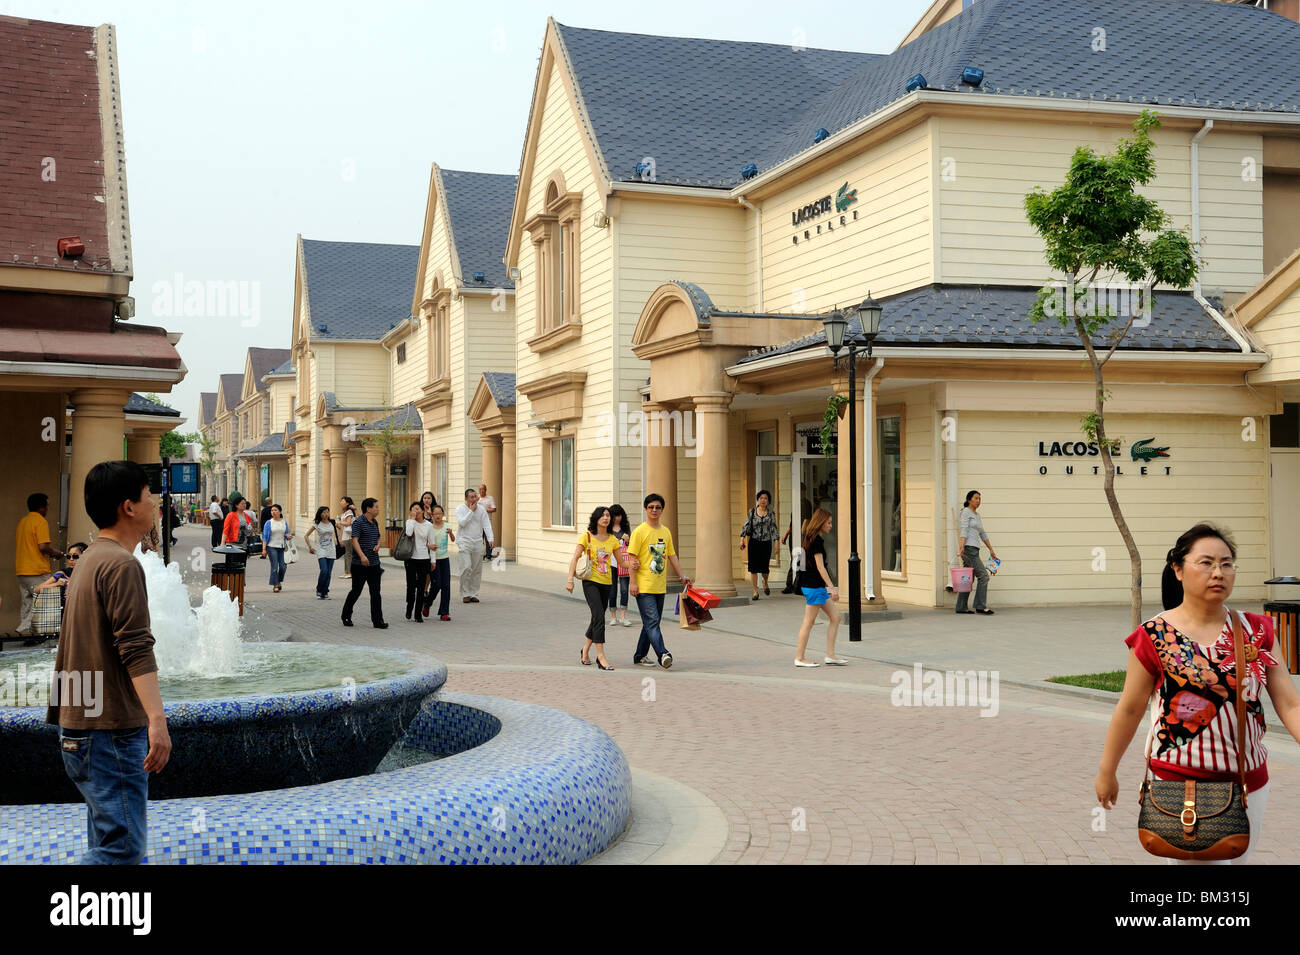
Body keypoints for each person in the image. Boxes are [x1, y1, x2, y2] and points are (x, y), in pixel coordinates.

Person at [1096, 523, 1300, 865]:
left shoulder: (1257, 630)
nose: (1218, 573)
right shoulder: (1154, 635)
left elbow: (1290, 704)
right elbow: (1130, 709)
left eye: (1226, 564)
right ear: (1178, 569)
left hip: (1249, 782)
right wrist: (1107, 770)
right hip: (1182, 787)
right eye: (1206, 563)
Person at [46, 460, 171, 864]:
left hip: (81, 725)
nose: (155, 504)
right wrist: (157, 720)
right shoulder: (121, 564)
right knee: (122, 850)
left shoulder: (89, 560)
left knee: (105, 844)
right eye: (148, 496)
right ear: (128, 507)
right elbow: (135, 646)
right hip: (109, 731)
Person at [626, 493, 690, 669]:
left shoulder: (665, 531)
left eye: (658, 507)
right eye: (651, 507)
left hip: (659, 586)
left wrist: (682, 576)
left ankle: (640, 656)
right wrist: (633, 582)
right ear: (645, 509)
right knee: (652, 621)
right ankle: (663, 654)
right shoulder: (639, 532)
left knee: (650, 623)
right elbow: (632, 559)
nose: (654, 510)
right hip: (644, 586)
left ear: (662, 510)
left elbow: (672, 556)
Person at [566, 506, 621, 670]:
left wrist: (635, 563)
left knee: (597, 618)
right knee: (599, 617)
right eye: (602, 515)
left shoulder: (613, 540)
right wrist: (570, 580)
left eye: (608, 515)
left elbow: (621, 562)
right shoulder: (587, 536)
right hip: (590, 582)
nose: (606, 518)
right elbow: (575, 558)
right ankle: (601, 657)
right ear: (596, 518)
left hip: (607, 583)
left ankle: (585, 650)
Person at [794, 508, 845, 668]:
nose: (830, 525)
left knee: (835, 617)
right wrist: (832, 588)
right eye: (828, 522)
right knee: (808, 622)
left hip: (815, 587)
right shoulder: (815, 541)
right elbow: (820, 567)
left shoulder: (811, 539)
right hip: (814, 587)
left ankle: (830, 655)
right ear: (821, 523)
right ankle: (800, 658)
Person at [16, 491, 65, 636]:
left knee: (28, 603)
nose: (48, 509)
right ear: (42, 507)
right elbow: (43, 547)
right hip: (36, 570)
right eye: (47, 506)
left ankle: (28, 636)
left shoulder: (23, 522)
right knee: (45, 598)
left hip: (21, 570)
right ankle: (22, 629)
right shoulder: (40, 521)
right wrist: (56, 553)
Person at [341, 497, 387, 629]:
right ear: (368, 509)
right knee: (356, 591)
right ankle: (346, 615)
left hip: (374, 563)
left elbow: (378, 537)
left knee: (376, 592)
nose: (378, 509)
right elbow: (354, 540)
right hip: (359, 564)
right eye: (376, 507)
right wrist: (362, 556)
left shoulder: (375, 522)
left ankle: (378, 621)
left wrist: (378, 545)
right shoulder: (358, 522)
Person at [954, 489, 999, 616]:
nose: (978, 501)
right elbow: (964, 529)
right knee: (983, 576)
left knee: (967, 579)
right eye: (976, 498)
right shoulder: (965, 512)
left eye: (980, 498)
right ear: (969, 500)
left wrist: (991, 549)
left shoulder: (977, 515)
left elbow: (982, 533)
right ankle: (980, 606)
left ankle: (961, 607)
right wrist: (962, 546)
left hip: (974, 549)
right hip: (968, 549)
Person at [739, 489, 779, 600]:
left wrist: (776, 543)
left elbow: (774, 529)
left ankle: (765, 582)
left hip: (766, 543)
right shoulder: (752, 512)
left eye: (765, 498)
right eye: (761, 498)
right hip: (754, 543)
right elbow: (746, 526)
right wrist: (742, 539)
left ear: (768, 501)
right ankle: (755, 591)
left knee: (765, 568)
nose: (763, 500)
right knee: (753, 568)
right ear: (758, 500)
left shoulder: (771, 514)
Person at [456, 488, 493, 604]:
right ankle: (465, 594)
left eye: (475, 496)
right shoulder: (460, 509)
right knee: (466, 567)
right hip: (464, 541)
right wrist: (471, 511)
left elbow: (486, 524)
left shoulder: (481, 509)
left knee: (476, 570)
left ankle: (474, 593)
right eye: (471, 497)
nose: (474, 499)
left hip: (477, 542)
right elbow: (462, 523)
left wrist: (490, 538)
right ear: (466, 498)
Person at [421, 505, 455, 621]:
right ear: (432, 515)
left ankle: (444, 612)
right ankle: (427, 603)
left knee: (446, 586)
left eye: (440, 513)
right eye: (435, 514)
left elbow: (453, 539)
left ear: (443, 514)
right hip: (433, 560)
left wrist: (451, 533)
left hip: (445, 559)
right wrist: (429, 546)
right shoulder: (429, 527)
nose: (438, 516)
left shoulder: (447, 526)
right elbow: (423, 542)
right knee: (436, 585)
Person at [403, 501, 435, 623]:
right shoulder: (410, 522)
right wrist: (412, 519)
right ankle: (409, 607)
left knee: (421, 587)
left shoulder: (429, 525)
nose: (415, 511)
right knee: (411, 586)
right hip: (410, 559)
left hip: (424, 559)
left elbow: (432, 543)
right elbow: (408, 533)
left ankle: (418, 614)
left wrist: (433, 560)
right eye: (413, 509)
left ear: (422, 510)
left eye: (417, 509)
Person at [606, 504, 632, 628]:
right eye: (615, 515)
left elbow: (631, 545)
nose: (618, 518)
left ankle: (623, 616)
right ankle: (613, 616)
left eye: (620, 515)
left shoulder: (625, 527)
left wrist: (628, 540)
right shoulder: (607, 529)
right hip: (611, 562)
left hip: (624, 562)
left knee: (624, 589)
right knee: (612, 590)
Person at [304, 506, 338, 599]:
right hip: (321, 550)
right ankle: (319, 589)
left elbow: (341, 528)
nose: (326, 514)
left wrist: (340, 538)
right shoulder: (317, 524)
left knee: (329, 573)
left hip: (331, 550)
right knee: (324, 570)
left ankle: (325, 592)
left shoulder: (332, 522)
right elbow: (306, 536)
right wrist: (310, 547)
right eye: (323, 512)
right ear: (320, 514)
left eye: (327, 512)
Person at [262, 504, 292, 593]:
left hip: (282, 547)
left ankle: (279, 580)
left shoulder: (284, 522)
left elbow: (287, 534)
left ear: (280, 512)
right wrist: (264, 549)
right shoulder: (269, 523)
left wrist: (288, 536)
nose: (273, 512)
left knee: (283, 567)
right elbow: (265, 537)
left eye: (275, 510)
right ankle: (275, 585)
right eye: (272, 510)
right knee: (274, 566)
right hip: (271, 547)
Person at [337, 497, 356, 579]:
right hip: (346, 536)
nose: (340, 502)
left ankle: (348, 573)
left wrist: (339, 521)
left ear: (347, 503)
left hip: (349, 536)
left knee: (348, 555)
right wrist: (340, 538)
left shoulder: (349, 512)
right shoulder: (344, 513)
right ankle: (347, 572)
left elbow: (348, 523)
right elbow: (342, 527)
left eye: (342, 501)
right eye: (341, 501)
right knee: (347, 554)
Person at [478, 483, 497, 549]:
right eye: (480, 489)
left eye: (483, 489)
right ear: (478, 490)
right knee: (479, 539)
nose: (482, 490)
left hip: (487, 521)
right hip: (478, 522)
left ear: (486, 490)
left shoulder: (490, 498)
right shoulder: (477, 499)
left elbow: (494, 509)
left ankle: (488, 554)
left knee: (488, 538)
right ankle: (480, 553)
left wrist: (484, 510)